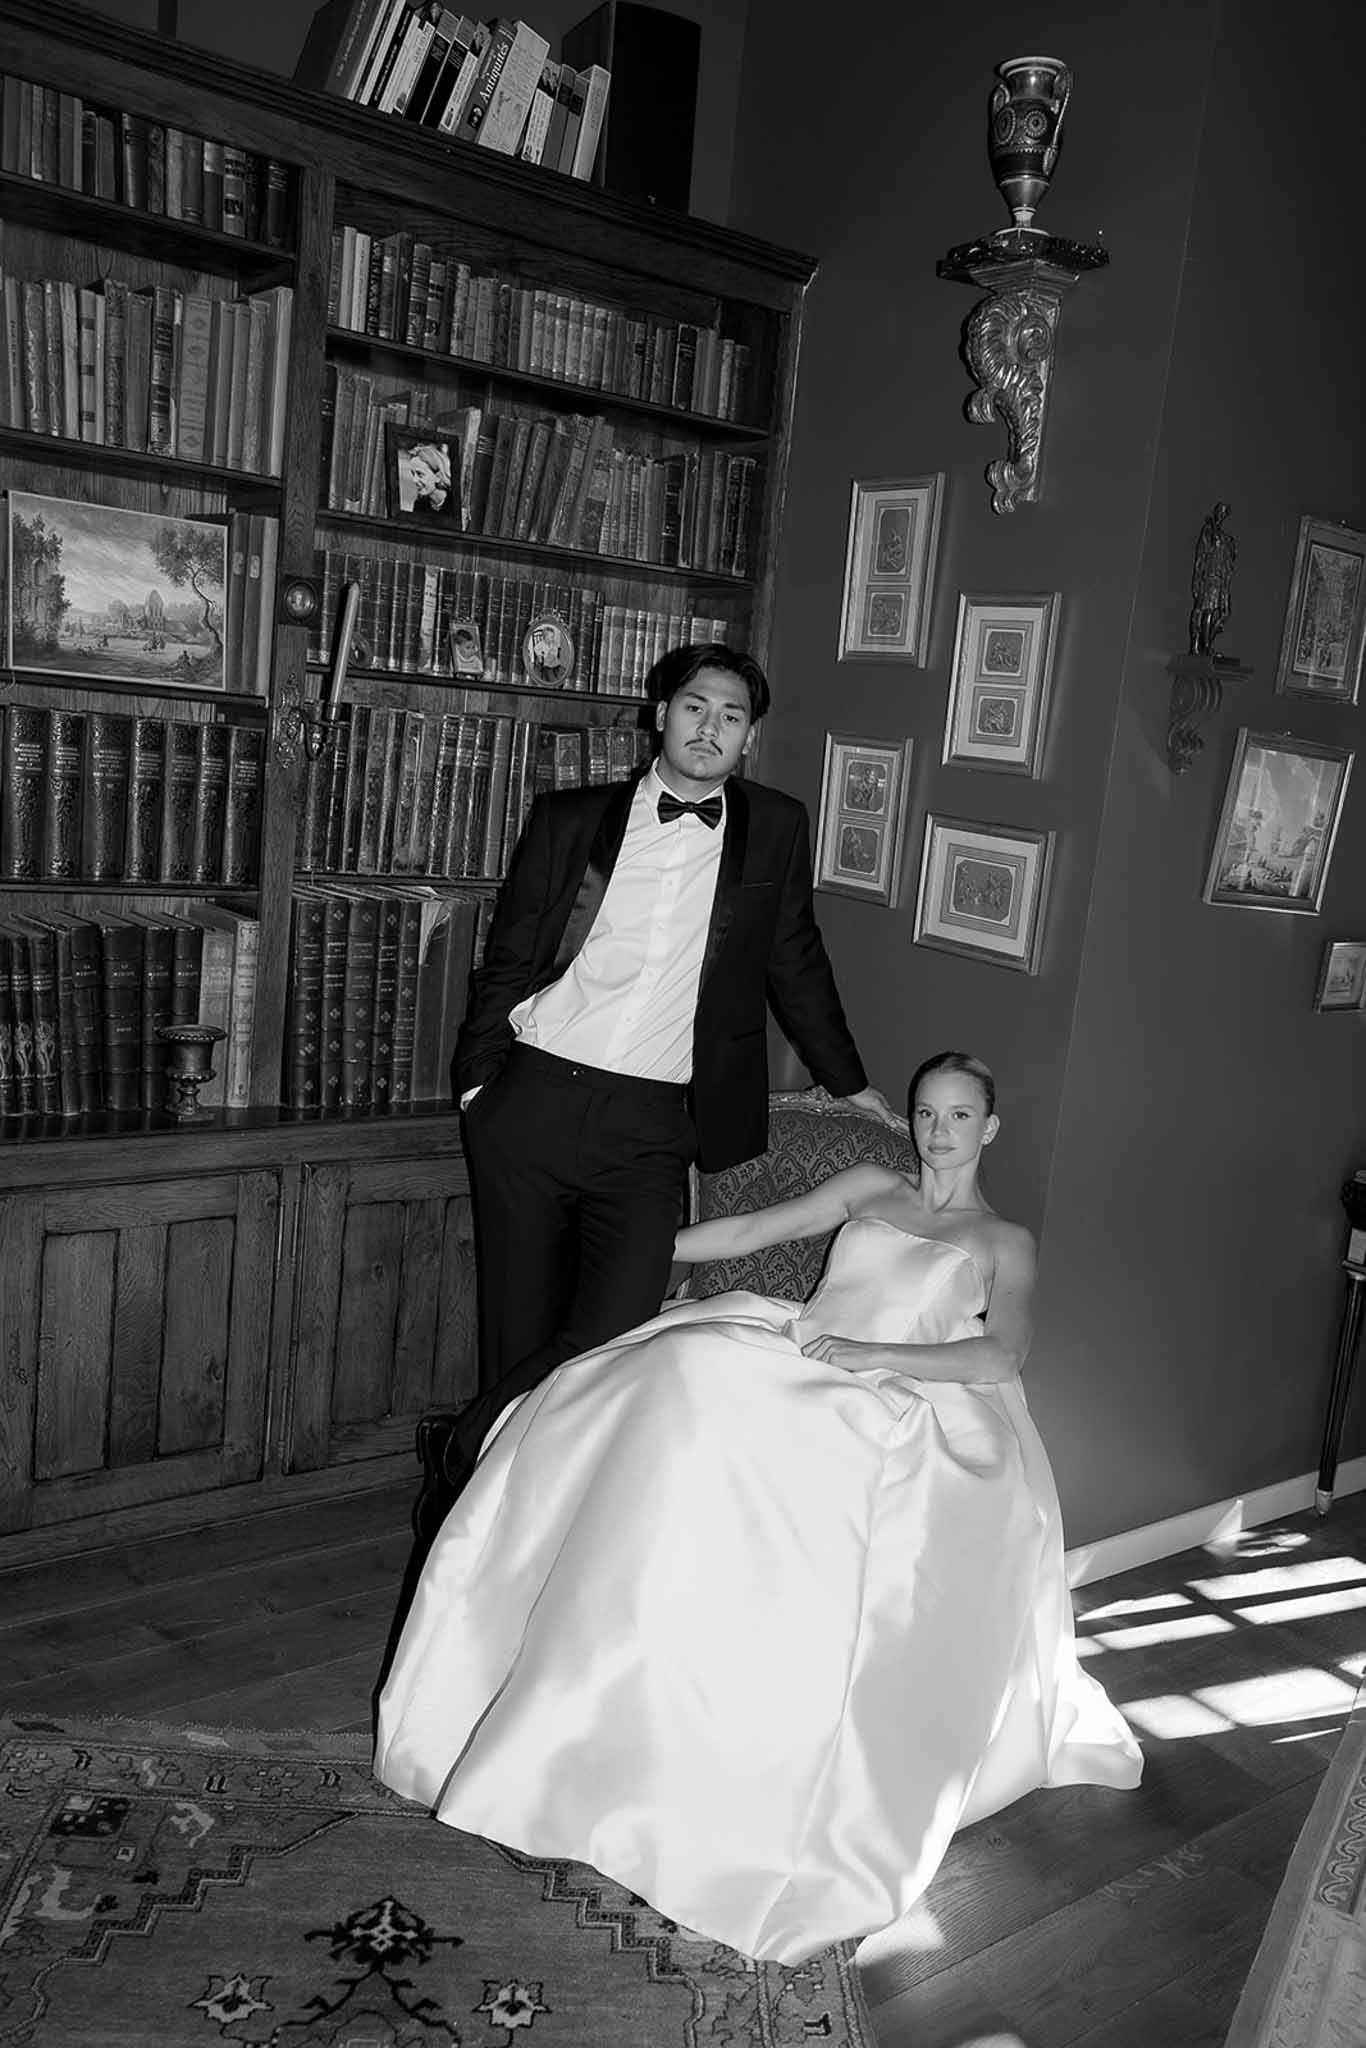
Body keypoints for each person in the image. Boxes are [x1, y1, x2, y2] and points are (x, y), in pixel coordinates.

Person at [376, 1051, 1143, 1966]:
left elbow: (1000, 1360)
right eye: (928, 1114)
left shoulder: (1002, 1240)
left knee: (730, 1411)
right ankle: (599, 1662)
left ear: (991, 1128)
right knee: (667, 1371)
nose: (940, 1132)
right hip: (800, 1343)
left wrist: (870, 1356)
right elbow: (744, 1234)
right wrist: (633, 1252)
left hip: (898, 1384)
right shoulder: (872, 1184)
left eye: (959, 1116)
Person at [442, 641, 898, 1492]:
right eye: (697, 707)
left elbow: (794, 960)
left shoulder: (775, 828)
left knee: (615, 1328)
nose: (710, 727)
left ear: (750, 738)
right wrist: (478, 1086)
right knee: (518, 1324)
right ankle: (503, 1512)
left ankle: (463, 1451)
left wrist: (848, 1080)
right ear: (662, 714)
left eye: (732, 716)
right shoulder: (569, 818)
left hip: (654, 1123)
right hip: (531, 1097)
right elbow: (507, 960)